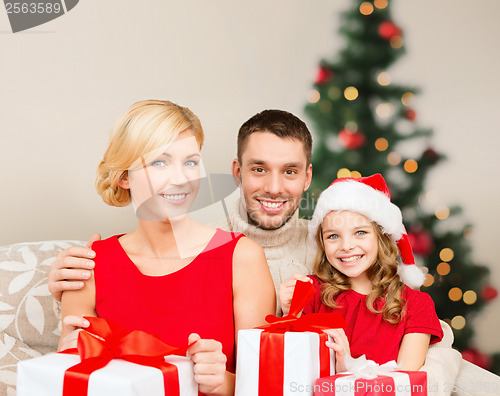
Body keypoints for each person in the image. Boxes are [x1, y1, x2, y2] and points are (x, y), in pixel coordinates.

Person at [49, 109, 497, 396]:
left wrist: (415, 381)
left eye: (290, 172)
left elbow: (414, 320)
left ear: (307, 179)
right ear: (236, 172)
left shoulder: (337, 245)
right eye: (259, 170)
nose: (275, 188)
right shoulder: (213, 243)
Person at [58, 100, 275, 396]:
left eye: (191, 162)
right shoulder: (89, 266)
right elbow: (71, 379)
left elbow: (263, 387)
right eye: (160, 162)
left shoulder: (242, 257)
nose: (182, 178)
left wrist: (220, 382)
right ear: (124, 177)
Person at [279, 173, 443, 373]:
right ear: (322, 243)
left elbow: (404, 382)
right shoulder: (311, 291)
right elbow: (289, 367)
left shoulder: (416, 305)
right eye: (333, 236)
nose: (346, 246)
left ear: (381, 237)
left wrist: (347, 366)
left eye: (360, 232)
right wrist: (290, 313)